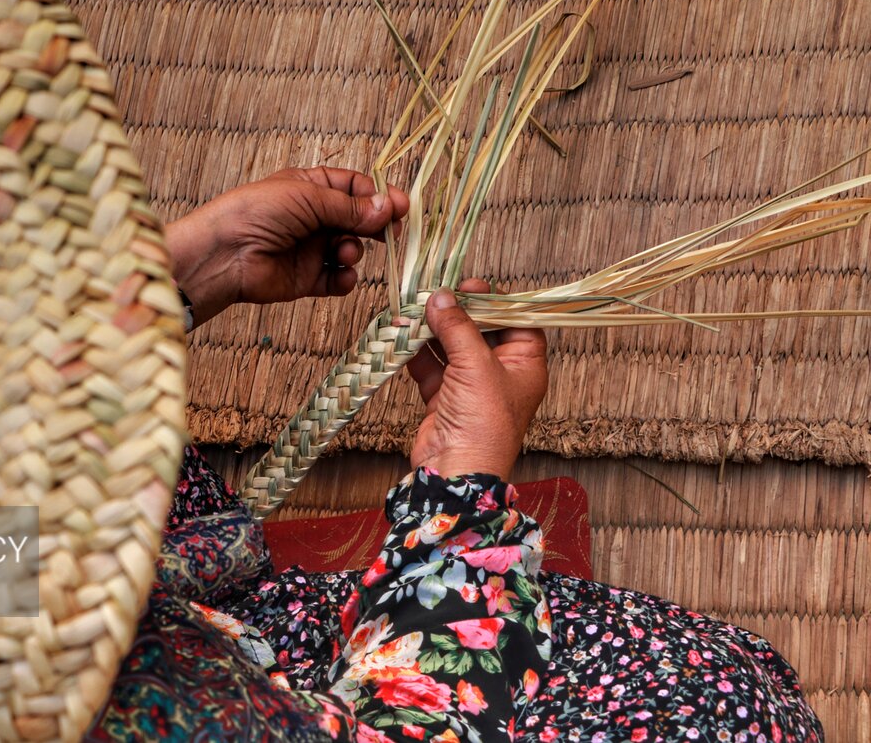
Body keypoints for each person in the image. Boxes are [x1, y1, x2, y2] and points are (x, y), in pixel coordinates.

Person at [88, 167, 822, 742]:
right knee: (724, 714)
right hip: (264, 694)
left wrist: (179, 279)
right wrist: (458, 488)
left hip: (190, 621)